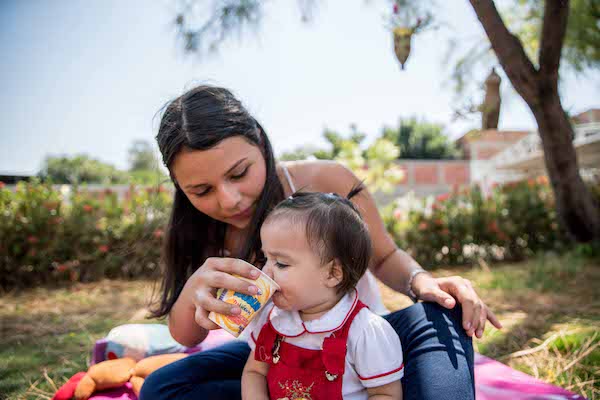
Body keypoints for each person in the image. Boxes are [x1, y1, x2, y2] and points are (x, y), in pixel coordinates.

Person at [140, 85, 502, 400]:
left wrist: (423, 282)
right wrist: (194, 291)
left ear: (261, 144)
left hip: (358, 355)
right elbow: (186, 337)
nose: (230, 199)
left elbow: (385, 255)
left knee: (439, 314)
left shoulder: (324, 182)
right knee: (163, 388)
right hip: (280, 362)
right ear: (179, 187)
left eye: (239, 173)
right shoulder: (199, 230)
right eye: (201, 190)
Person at [242, 187, 403, 400]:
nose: (265, 272)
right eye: (266, 259)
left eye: (280, 263)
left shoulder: (364, 331)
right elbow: (254, 372)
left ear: (333, 273)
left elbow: (385, 393)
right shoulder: (273, 320)